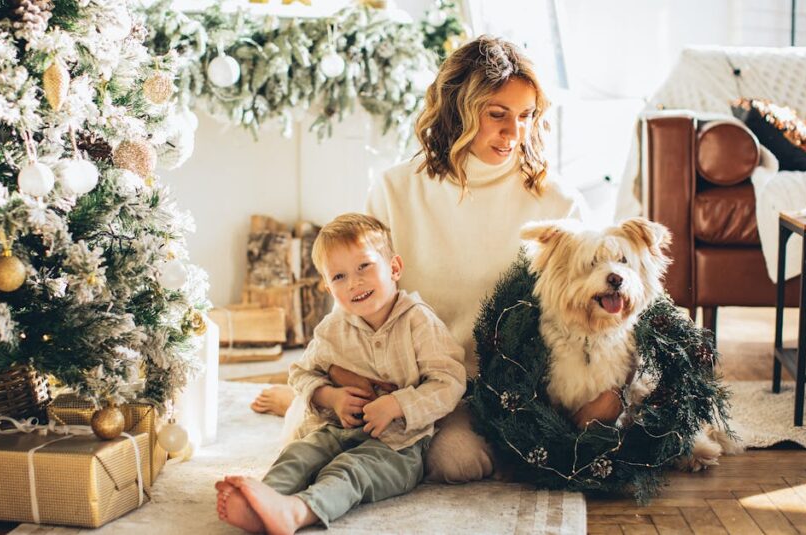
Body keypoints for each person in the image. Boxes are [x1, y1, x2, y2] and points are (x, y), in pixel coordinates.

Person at [252, 36, 618, 483]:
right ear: (458, 109)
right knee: (308, 444)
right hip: (403, 377)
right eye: (497, 115)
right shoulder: (395, 188)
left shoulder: (556, 201)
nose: (514, 134)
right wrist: (341, 372)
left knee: (455, 462)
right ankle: (289, 401)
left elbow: (595, 303)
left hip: (495, 390)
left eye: (526, 117)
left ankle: (293, 402)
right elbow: (355, 284)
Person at [218, 214, 466, 534]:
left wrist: (398, 405)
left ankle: (298, 511)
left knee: (349, 470)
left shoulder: (418, 322)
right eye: (339, 276)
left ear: (394, 268)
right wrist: (330, 397)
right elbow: (302, 373)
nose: (354, 282)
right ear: (327, 287)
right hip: (336, 430)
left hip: (398, 446)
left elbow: (449, 381)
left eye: (364, 266)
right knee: (300, 453)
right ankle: (265, 499)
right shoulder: (333, 328)